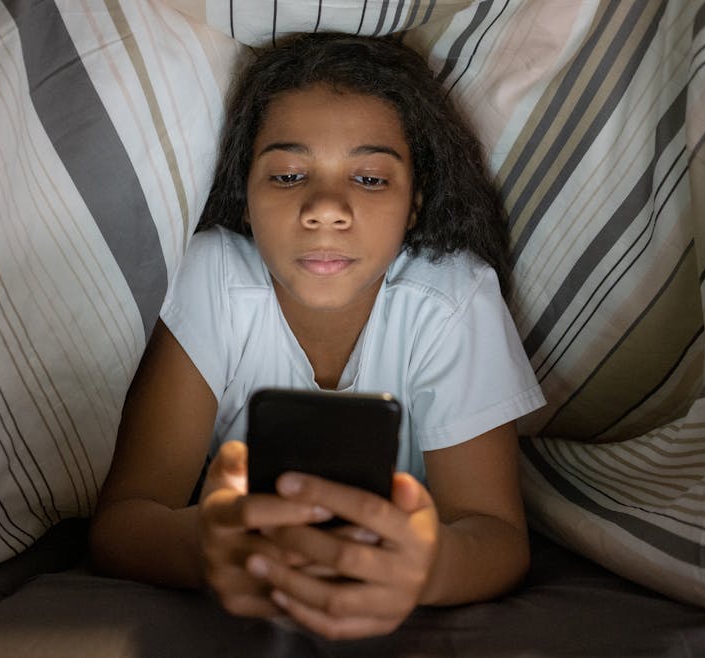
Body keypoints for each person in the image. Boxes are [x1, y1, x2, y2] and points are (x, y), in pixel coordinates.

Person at [89, 32, 546, 640]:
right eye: (287, 175)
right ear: (244, 197)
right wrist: (206, 546)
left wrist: (424, 571)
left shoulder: (452, 299)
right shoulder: (211, 279)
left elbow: (495, 533)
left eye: (369, 180)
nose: (326, 208)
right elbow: (124, 520)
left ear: (415, 204)